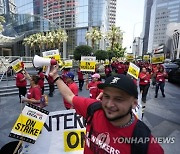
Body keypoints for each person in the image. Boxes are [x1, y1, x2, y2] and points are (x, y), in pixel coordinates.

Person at [50, 65, 164, 154]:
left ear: (134, 103)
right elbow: (70, 97)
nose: (109, 104)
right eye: (106, 96)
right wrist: (55, 76)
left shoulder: (146, 144)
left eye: (118, 99)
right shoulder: (94, 108)